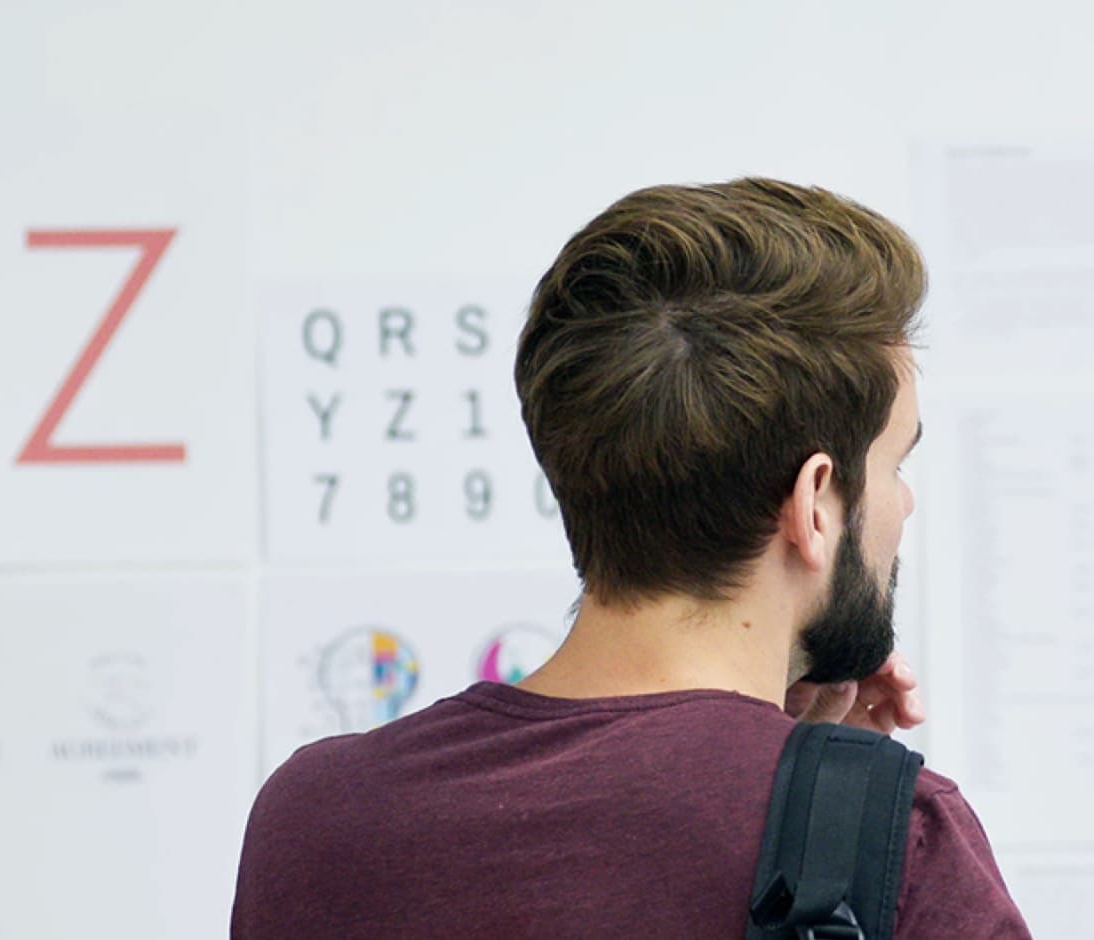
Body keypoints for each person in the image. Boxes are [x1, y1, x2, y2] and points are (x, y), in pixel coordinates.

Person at [231, 179, 1032, 938]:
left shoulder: (317, 817)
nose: (904, 502)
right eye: (896, 463)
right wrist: (846, 811)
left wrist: (801, 776)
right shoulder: (902, 838)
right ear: (815, 501)